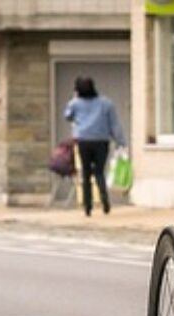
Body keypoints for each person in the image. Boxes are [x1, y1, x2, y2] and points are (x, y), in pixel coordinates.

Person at [63, 76, 127, 217]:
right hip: (101, 141)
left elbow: (67, 115)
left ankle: (88, 206)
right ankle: (105, 201)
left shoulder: (75, 103)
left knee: (86, 173)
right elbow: (114, 124)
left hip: (83, 140)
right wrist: (120, 141)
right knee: (99, 172)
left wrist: (74, 99)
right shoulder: (106, 103)